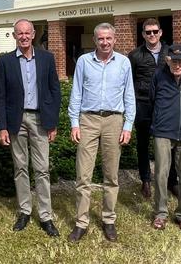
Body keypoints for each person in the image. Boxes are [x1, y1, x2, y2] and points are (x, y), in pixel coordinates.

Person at [67, 23, 135, 242]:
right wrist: (74, 123)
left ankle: (108, 220)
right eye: (100, 39)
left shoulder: (124, 63)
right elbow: (76, 93)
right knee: (83, 175)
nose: (105, 42)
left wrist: (127, 125)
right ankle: (81, 222)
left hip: (114, 121)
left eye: (108, 38)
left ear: (114, 39)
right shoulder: (84, 62)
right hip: (88, 120)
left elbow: (129, 96)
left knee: (111, 175)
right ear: (94, 41)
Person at [0, 19, 61, 237]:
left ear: (33, 34)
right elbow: (1, 96)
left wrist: (52, 123)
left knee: (42, 169)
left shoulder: (47, 58)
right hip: (16, 121)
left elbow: (54, 92)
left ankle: (45, 216)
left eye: (27, 33)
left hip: (40, 119)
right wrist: (2, 127)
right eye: (19, 33)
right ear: (14, 36)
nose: (23, 36)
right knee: (20, 168)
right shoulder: (5, 62)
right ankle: (24, 211)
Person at [150, 44, 181, 233]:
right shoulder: (159, 75)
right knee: (161, 174)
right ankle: (160, 213)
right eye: (174, 61)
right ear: (167, 60)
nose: (177, 64)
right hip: (163, 130)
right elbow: (152, 98)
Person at [128, 18, 177, 199]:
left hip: (165, 105)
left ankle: (172, 181)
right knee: (143, 144)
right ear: (143, 34)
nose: (152, 35)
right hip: (143, 104)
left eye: (155, 31)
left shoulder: (170, 52)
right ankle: (146, 180)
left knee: (169, 144)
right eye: (148, 32)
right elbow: (129, 83)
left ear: (160, 33)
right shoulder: (134, 55)